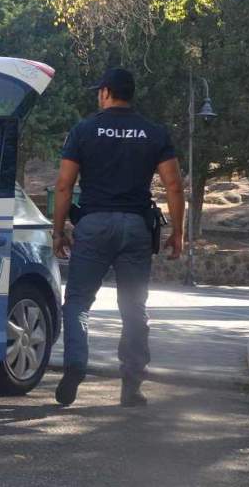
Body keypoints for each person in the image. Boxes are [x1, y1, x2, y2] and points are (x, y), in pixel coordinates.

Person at [51, 67, 185, 407]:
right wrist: (178, 232)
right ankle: (132, 385)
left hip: (94, 224)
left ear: (107, 92)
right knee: (133, 306)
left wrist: (58, 231)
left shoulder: (84, 130)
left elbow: (64, 185)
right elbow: (173, 184)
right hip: (136, 228)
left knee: (79, 301)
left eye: (100, 91)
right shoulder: (154, 133)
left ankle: (76, 364)